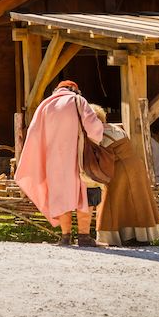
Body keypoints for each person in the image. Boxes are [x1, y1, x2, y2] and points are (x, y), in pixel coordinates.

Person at [14, 80, 104, 246]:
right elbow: (94, 128)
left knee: (61, 196)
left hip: (53, 161)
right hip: (78, 158)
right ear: (75, 90)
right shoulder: (78, 101)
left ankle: (65, 236)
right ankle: (84, 237)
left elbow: (34, 134)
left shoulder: (44, 106)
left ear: (57, 90)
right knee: (84, 195)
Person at [90, 105, 159, 246]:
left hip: (121, 167)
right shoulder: (114, 128)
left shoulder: (98, 133)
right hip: (136, 166)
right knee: (137, 200)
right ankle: (139, 237)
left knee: (115, 201)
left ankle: (121, 237)